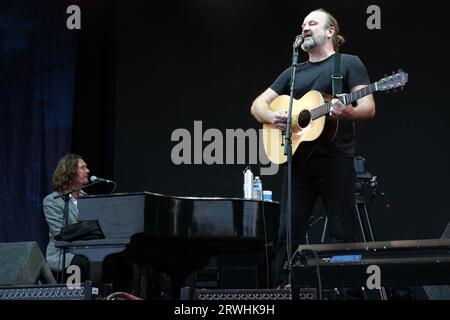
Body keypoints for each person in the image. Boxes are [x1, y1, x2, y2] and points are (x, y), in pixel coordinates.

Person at [250, 9, 376, 288]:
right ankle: (284, 288)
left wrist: (346, 113)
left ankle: (343, 290)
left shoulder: (347, 63)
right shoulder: (293, 72)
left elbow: (367, 107)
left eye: (313, 22)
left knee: (342, 231)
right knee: (287, 233)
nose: (305, 26)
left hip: (336, 161)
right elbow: (257, 105)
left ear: (330, 31)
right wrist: (273, 117)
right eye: (303, 23)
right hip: (299, 163)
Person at [43, 153, 91, 281]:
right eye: (82, 167)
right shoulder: (53, 201)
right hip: (63, 255)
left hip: (87, 252)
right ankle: (74, 294)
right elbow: (60, 233)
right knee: (82, 263)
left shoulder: (88, 199)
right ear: (69, 172)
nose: (87, 171)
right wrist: (88, 229)